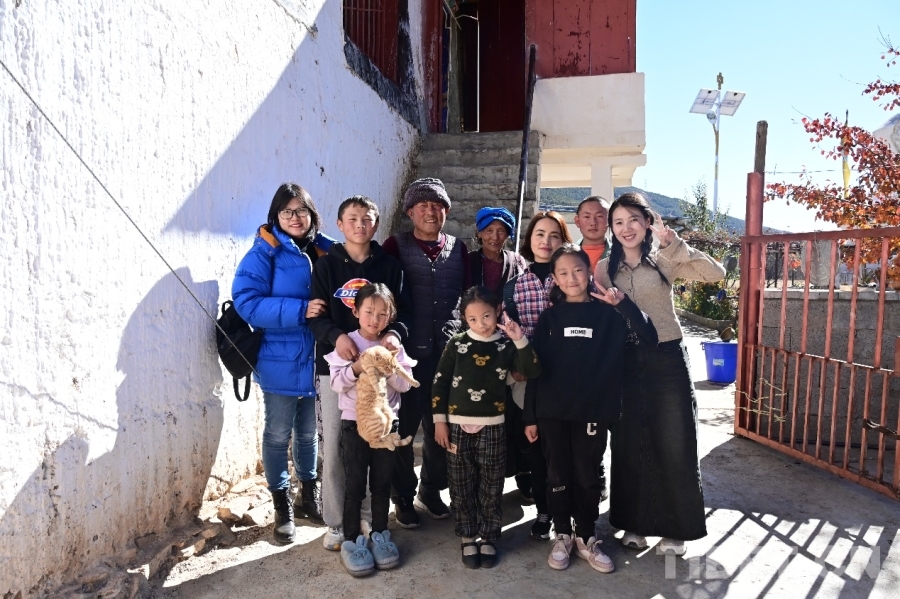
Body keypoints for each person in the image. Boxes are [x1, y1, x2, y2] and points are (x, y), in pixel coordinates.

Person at [596, 191, 725, 556]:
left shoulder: (664, 259)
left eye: (633, 220)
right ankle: (635, 524)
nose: (626, 228)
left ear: (647, 222)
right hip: (626, 361)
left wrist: (674, 243)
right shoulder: (604, 269)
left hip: (667, 357)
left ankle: (674, 530)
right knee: (629, 442)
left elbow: (716, 274)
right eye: (618, 222)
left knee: (674, 439)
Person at [523, 244, 657, 573]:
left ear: (589, 272)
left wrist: (623, 305)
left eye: (578, 270)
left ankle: (586, 536)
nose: (572, 278)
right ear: (554, 279)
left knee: (587, 476)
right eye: (563, 273)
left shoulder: (608, 315)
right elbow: (535, 369)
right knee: (557, 475)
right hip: (552, 412)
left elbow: (649, 337)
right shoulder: (549, 318)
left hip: (593, 412)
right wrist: (530, 415)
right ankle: (562, 535)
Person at [231, 182, 334, 544]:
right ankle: (282, 506)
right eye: (287, 211)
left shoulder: (326, 249)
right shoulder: (265, 252)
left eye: (301, 210)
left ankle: (308, 495)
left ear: (311, 214)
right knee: (277, 435)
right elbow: (247, 302)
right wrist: (300, 310)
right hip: (279, 358)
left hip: (318, 358)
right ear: (276, 215)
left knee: (308, 433)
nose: (295, 217)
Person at [308, 195, 411, 550]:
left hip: (380, 374)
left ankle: (367, 518)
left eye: (367, 219)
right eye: (352, 218)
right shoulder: (325, 267)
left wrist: (395, 334)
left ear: (376, 224)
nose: (359, 225)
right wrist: (336, 336)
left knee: (375, 443)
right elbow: (316, 318)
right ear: (339, 224)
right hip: (336, 370)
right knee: (336, 448)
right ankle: (337, 522)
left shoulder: (390, 267)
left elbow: (404, 313)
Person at [432, 286, 541, 569]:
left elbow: (532, 370)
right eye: (473, 319)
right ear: (464, 319)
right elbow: (440, 383)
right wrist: (440, 421)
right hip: (456, 427)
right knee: (460, 483)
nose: (481, 324)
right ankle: (468, 536)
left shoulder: (505, 346)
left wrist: (519, 338)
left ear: (498, 312)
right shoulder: (456, 344)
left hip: (493, 427)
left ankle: (489, 536)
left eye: (486, 316)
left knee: (492, 485)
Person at [382, 178, 470, 527]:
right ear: (410, 212)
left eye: (437, 206)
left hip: (446, 355)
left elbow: (469, 298)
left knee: (441, 428)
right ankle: (402, 496)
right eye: (423, 206)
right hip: (405, 356)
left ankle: (431, 490)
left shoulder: (459, 249)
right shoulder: (395, 246)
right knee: (402, 428)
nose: (431, 212)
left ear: (446, 211)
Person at [324, 283, 416, 577]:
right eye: (368, 312)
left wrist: (388, 364)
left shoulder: (393, 347)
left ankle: (380, 534)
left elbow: (405, 385)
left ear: (390, 317)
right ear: (355, 312)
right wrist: (359, 367)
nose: (374, 320)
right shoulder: (347, 344)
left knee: (381, 482)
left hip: (386, 425)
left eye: (382, 314)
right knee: (354, 484)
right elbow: (336, 384)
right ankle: (352, 539)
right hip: (354, 424)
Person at [501, 210, 572, 539]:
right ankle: (544, 512)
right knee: (536, 450)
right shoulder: (514, 286)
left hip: (567, 379)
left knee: (566, 451)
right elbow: (508, 331)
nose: (546, 241)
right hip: (529, 381)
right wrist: (515, 365)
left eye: (554, 235)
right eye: (540, 234)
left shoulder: (572, 279)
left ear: (563, 241)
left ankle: (567, 514)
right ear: (529, 241)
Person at [468, 206, 528, 297]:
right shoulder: (468, 261)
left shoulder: (516, 261)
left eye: (501, 231)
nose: (495, 237)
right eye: (489, 230)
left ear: (507, 235)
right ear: (479, 233)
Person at [573, 196, 611, 271]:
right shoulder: (567, 255)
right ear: (577, 221)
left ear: (609, 221)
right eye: (587, 217)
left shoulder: (620, 255)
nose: (593, 222)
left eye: (599, 216)